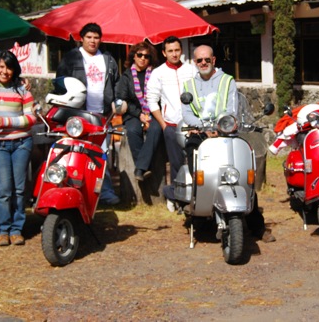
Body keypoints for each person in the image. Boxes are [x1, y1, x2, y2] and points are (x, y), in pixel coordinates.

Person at [179, 45, 275, 242]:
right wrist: (202, 127)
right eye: (199, 60)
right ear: (195, 62)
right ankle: (200, 215)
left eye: (207, 59)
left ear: (214, 60)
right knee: (199, 170)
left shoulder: (227, 80)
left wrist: (222, 126)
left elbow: (232, 106)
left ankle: (257, 224)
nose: (203, 63)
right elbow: (187, 112)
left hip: (226, 131)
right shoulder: (188, 86)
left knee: (240, 175)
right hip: (199, 133)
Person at [56, 22, 121, 205]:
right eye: (89, 37)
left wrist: (116, 102)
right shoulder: (71, 58)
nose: (93, 41)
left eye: (96, 37)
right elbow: (60, 82)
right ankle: (76, 191)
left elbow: (115, 83)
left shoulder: (108, 59)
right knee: (76, 152)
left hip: (101, 114)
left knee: (101, 153)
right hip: (77, 114)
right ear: (81, 38)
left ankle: (104, 192)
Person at [0, 51, 36, 247]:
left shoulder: (22, 90)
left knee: (18, 188)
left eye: (8, 67)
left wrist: (5, 121)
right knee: (3, 190)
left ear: (14, 69)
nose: (4, 71)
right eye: (0, 67)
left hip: (21, 143)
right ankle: (2, 230)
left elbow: (31, 119)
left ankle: (17, 229)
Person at [145, 36, 196, 189]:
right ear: (164, 53)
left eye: (177, 50)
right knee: (175, 162)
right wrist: (163, 125)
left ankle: (196, 194)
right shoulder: (158, 73)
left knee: (195, 160)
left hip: (192, 124)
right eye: (170, 51)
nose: (174, 54)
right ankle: (176, 194)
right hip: (171, 124)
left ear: (181, 51)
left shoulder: (191, 69)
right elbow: (152, 100)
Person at [115, 42, 162, 181]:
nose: (143, 58)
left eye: (146, 56)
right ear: (133, 56)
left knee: (156, 129)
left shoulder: (156, 73)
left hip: (154, 111)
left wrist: (150, 112)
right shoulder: (126, 76)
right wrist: (139, 114)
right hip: (133, 113)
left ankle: (141, 168)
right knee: (132, 130)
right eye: (139, 55)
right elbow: (122, 99)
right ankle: (145, 167)